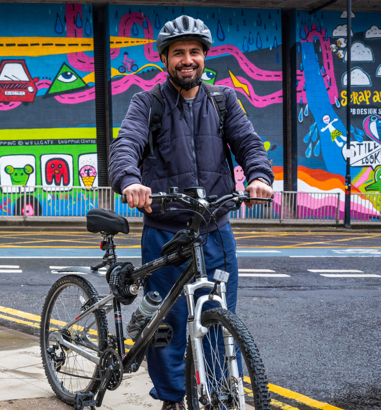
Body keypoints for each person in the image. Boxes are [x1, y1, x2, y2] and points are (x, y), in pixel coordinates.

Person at [108, 15, 274, 410]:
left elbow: (248, 142)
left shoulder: (223, 100)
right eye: (178, 52)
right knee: (167, 324)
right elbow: (126, 143)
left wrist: (259, 175)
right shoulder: (147, 102)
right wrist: (130, 180)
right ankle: (170, 399)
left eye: (194, 52)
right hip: (165, 229)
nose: (187, 59)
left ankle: (217, 393)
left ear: (204, 57)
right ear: (165, 58)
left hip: (214, 229)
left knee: (217, 317)